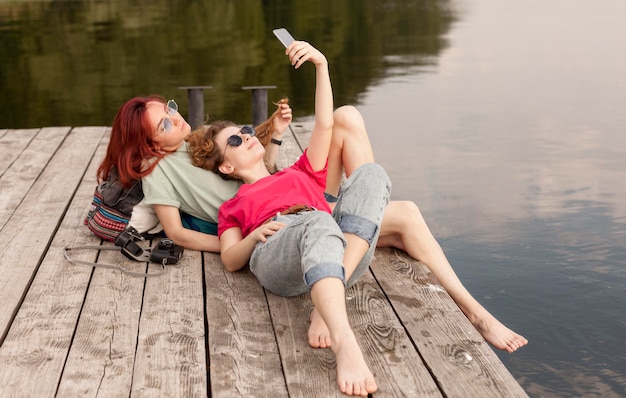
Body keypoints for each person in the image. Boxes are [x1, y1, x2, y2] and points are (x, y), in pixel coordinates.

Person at [188, 40, 385, 396]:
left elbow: (326, 123)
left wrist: (321, 65)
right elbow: (231, 260)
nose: (247, 136)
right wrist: (256, 233)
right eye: (236, 140)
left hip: (327, 244)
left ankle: (324, 307)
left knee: (372, 177)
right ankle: (345, 342)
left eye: (246, 131)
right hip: (277, 250)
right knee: (319, 220)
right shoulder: (234, 206)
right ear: (227, 166)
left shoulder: (299, 173)